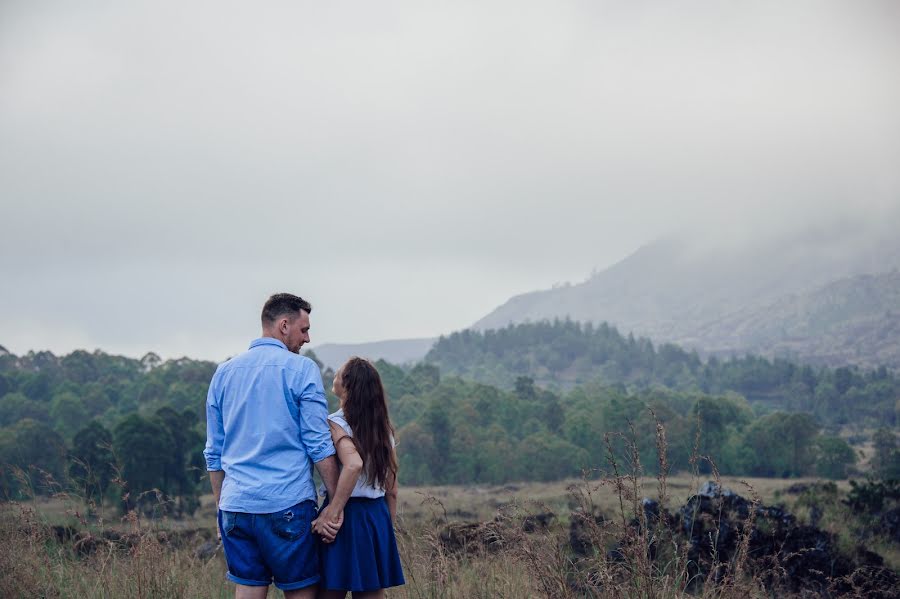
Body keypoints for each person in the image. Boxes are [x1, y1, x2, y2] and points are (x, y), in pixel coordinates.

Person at [204, 293, 358, 599]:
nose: (308, 338)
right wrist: (332, 503)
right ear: (284, 325)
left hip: (236, 506)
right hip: (287, 503)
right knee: (301, 590)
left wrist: (222, 509)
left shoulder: (223, 373)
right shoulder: (302, 370)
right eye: (304, 329)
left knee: (248, 588)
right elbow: (318, 444)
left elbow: (214, 452)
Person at [313, 357, 406, 599]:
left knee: (330, 592)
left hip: (343, 512)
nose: (335, 376)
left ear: (348, 386)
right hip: (376, 516)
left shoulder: (334, 424)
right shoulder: (383, 427)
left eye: (339, 374)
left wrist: (332, 511)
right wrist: (386, 527)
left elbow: (351, 466)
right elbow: (392, 489)